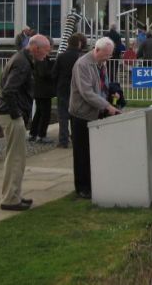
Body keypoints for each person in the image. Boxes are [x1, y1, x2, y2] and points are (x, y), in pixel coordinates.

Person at [0, 34, 51, 211]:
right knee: (16, 158)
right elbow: (9, 91)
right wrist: (17, 114)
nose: (47, 55)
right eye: (46, 50)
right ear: (35, 48)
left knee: (16, 157)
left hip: (11, 113)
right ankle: (10, 199)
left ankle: (14, 195)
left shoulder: (22, 59)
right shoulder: (22, 63)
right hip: (12, 115)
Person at [69, 37, 121, 199]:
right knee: (82, 153)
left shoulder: (101, 63)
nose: (107, 58)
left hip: (96, 113)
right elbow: (87, 92)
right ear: (96, 50)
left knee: (95, 152)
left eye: (109, 55)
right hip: (81, 114)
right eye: (105, 55)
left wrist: (112, 92)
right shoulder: (82, 65)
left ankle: (94, 183)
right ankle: (82, 188)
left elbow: (102, 85)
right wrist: (106, 106)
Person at [52, 32, 86, 148]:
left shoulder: (61, 56)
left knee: (63, 115)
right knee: (76, 115)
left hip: (63, 88)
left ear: (68, 43)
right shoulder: (82, 57)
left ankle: (63, 140)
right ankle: (76, 138)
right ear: (79, 44)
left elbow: (54, 73)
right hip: (78, 88)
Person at [29, 39, 56, 144]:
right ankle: (41, 135)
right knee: (45, 114)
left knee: (39, 113)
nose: (51, 49)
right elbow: (43, 73)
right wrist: (54, 70)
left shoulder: (40, 58)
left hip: (40, 90)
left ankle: (33, 133)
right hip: (43, 91)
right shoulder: (41, 59)